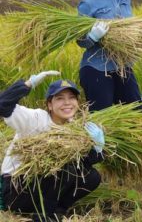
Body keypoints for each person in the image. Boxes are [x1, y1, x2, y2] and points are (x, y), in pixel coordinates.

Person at [0, 72, 104, 221]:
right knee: (60, 168)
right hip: (16, 189)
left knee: (92, 176)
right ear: (49, 104)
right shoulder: (35, 119)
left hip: (41, 189)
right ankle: (44, 215)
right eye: (60, 98)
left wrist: (98, 147)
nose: (67, 103)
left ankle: (57, 211)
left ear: (78, 102)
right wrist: (28, 84)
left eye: (71, 97)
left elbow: (83, 165)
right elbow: (3, 104)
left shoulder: (75, 128)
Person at [77, 0, 142, 111]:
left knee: (137, 114)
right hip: (96, 68)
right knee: (103, 118)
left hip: (122, 66)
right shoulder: (88, 3)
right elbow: (81, 41)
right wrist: (93, 37)